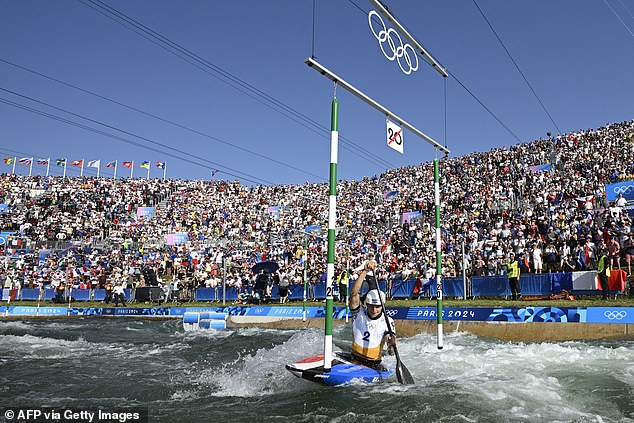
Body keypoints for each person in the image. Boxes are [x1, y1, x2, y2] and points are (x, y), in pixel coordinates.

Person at [348, 260, 396, 370]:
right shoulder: (358, 314)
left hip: (372, 364)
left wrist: (391, 344)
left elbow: (390, 349)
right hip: (354, 359)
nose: (374, 310)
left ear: (382, 305)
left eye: (378, 306)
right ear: (367, 304)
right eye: (371, 306)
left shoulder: (388, 321)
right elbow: (354, 294)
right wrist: (365, 271)